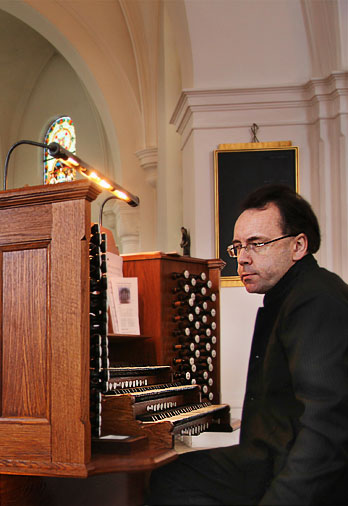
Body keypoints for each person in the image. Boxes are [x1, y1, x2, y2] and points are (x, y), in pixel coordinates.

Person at [147, 185, 348, 505]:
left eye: (257, 244)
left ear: (298, 245)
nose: (242, 258)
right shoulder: (293, 295)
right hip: (268, 455)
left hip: (294, 469)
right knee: (172, 474)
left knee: (173, 482)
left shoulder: (315, 300)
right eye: (237, 247)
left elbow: (326, 429)